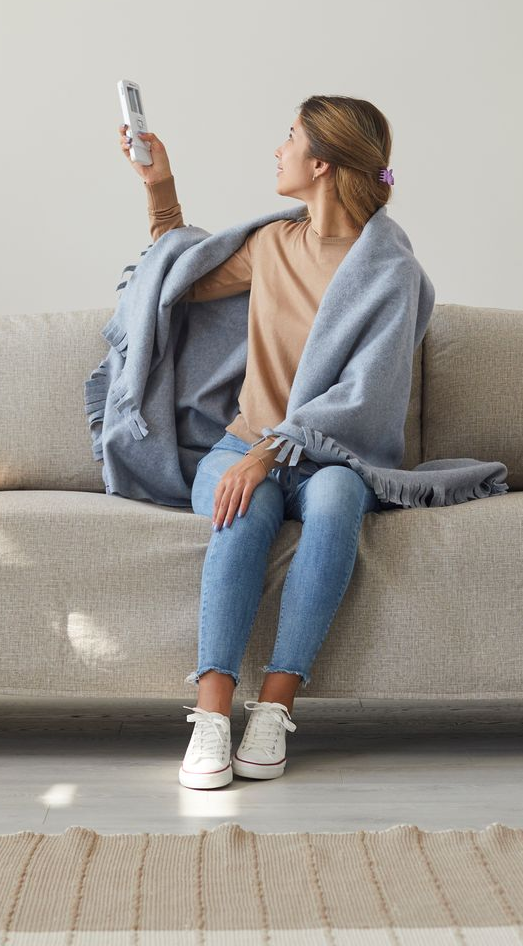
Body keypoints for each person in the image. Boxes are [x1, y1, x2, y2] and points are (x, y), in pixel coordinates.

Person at [117, 97, 394, 789]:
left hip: (334, 455)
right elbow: (174, 277)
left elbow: (366, 396)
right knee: (247, 507)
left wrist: (268, 453)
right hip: (240, 447)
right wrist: (158, 185)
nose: (278, 150)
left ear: (321, 164)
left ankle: (274, 708)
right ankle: (211, 716)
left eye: (290, 137)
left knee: (334, 500)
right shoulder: (273, 245)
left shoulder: (390, 271)